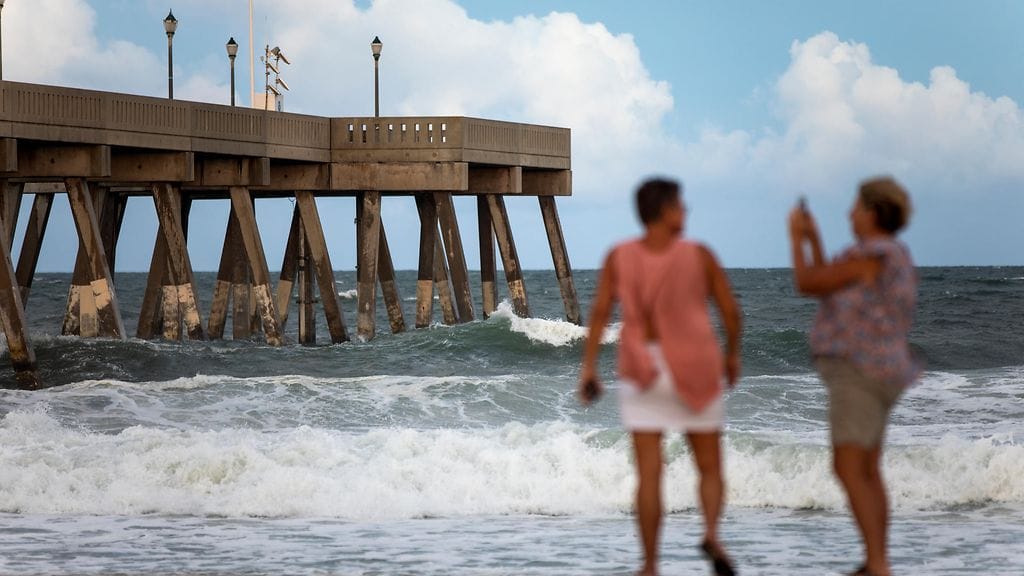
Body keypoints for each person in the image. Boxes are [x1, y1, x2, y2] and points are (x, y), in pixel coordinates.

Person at [579, 178, 742, 576]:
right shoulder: (699, 255)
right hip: (695, 362)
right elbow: (730, 312)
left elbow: (600, 312)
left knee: (649, 473)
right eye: (680, 205)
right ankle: (711, 534)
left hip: (641, 367)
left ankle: (650, 564)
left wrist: (589, 367)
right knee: (709, 466)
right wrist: (733, 355)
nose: (685, 211)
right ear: (665, 211)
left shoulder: (619, 255)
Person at [788, 177, 920, 576]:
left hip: (861, 374)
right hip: (881, 372)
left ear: (874, 212)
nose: (849, 213)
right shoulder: (883, 255)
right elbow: (830, 286)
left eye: (856, 207)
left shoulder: (874, 255)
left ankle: (877, 564)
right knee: (867, 468)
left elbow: (808, 283)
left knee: (847, 467)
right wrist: (814, 239)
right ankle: (876, 559)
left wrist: (796, 238)